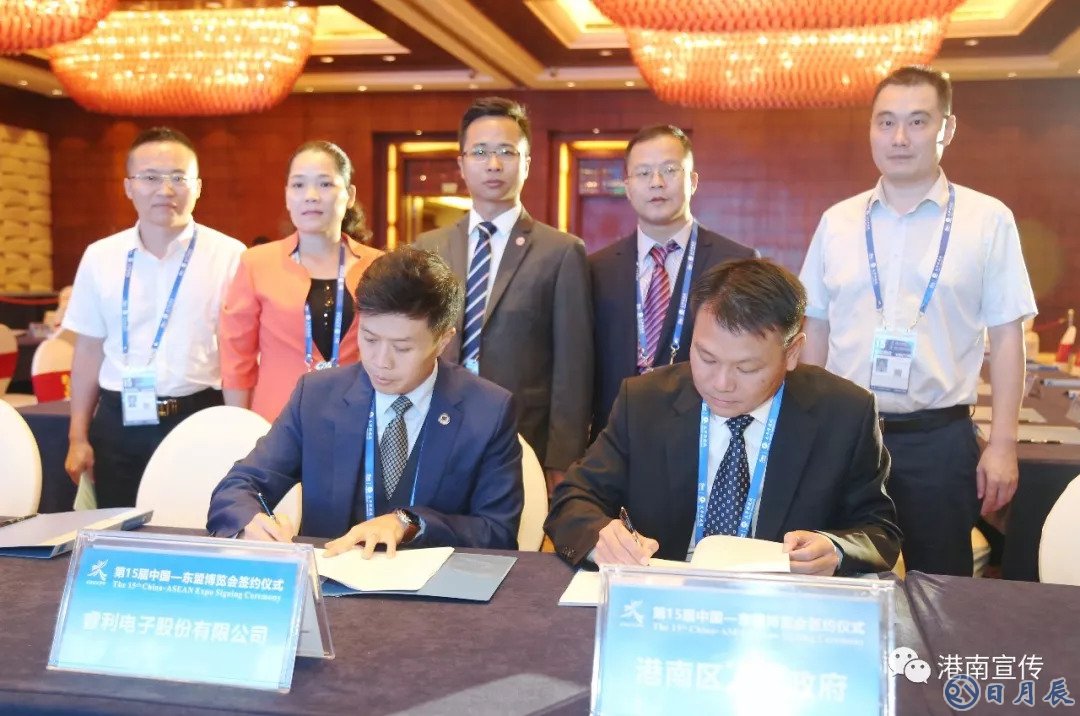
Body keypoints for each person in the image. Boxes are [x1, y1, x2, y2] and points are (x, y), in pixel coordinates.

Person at [798, 66, 1037, 576]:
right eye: (886, 122)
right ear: (871, 129)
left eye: (917, 121)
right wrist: (805, 426)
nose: (899, 138)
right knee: (837, 576)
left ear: (947, 128)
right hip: (845, 433)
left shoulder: (987, 220)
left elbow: (1006, 336)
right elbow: (815, 328)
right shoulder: (838, 222)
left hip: (938, 439)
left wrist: (1003, 443)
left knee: (940, 582)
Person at [545, 259, 900, 576]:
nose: (720, 383)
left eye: (747, 368)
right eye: (707, 358)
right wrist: (600, 537)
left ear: (792, 352)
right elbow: (572, 499)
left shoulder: (845, 414)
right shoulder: (645, 402)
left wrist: (836, 550)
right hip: (667, 593)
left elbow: (879, 531)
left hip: (781, 603)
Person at [207, 247, 524, 555]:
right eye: (370, 339)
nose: (381, 361)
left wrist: (411, 523)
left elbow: (497, 532)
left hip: (437, 586)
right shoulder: (317, 396)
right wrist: (250, 522)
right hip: (329, 579)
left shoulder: (488, 410)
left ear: (443, 341)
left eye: (402, 348)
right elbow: (240, 485)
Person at [414, 96, 592, 493]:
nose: (493, 164)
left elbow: (573, 368)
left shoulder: (561, 252)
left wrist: (562, 460)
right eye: (480, 152)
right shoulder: (428, 247)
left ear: (526, 162)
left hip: (521, 433)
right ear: (461, 163)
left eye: (507, 152)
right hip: (432, 427)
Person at [62, 127, 245, 507]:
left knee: (197, 525)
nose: (165, 189)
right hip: (118, 421)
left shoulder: (229, 256)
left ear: (198, 186)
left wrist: (236, 432)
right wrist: (77, 437)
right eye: (150, 177)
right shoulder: (100, 257)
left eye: (178, 177)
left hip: (198, 415)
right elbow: (88, 351)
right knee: (117, 525)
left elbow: (238, 354)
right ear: (129, 187)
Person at [590, 124, 756, 438]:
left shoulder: (737, 263)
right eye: (643, 173)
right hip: (615, 436)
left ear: (693, 181)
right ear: (628, 187)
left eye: (669, 170)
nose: (657, 182)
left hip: (705, 434)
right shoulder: (597, 268)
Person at [218, 141, 382, 421]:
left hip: (358, 418)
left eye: (325, 184)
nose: (311, 196)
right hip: (276, 421)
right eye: (298, 185)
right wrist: (238, 426)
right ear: (287, 196)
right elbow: (237, 359)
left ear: (350, 195)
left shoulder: (378, 266)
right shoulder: (257, 263)